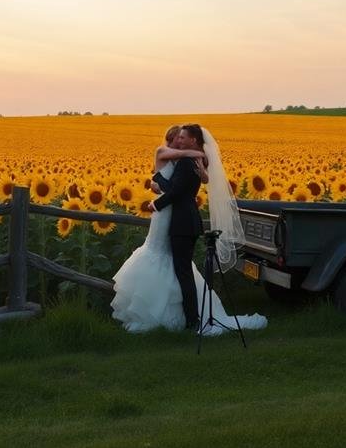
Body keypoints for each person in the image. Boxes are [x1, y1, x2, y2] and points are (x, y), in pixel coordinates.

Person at [111, 124, 267, 334]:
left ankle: (191, 320)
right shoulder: (181, 156)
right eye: (178, 137)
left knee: (181, 271)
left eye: (183, 137)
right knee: (177, 268)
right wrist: (197, 160)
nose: (180, 140)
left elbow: (176, 191)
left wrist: (156, 196)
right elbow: (185, 185)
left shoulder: (186, 161)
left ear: (192, 139)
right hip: (178, 218)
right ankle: (183, 316)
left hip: (180, 220)